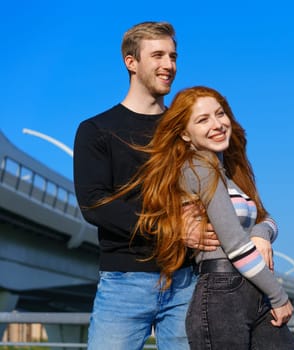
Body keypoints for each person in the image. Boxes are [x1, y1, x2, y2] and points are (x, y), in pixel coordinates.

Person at [103, 86, 294, 349]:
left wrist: (261, 234)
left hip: (251, 290)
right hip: (222, 294)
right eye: (203, 120)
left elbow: (266, 218)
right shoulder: (199, 169)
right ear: (185, 134)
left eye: (220, 114)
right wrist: (278, 295)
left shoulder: (229, 173)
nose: (217, 124)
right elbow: (235, 244)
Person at [73, 22, 220, 350]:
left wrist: (260, 233)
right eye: (158, 55)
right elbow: (95, 204)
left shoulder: (188, 131)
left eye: (173, 56)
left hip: (187, 282)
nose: (169, 65)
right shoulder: (97, 130)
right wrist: (174, 228)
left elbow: (229, 190)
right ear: (131, 62)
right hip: (124, 283)